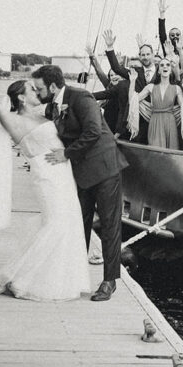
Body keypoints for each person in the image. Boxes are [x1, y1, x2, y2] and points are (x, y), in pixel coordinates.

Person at [0, 79, 91, 301]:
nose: (36, 90)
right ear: (21, 97)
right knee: (55, 224)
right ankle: (15, 277)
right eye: (31, 88)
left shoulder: (44, 115)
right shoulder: (13, 119)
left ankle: (57, 278)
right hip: (46, 175)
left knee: (69, 222)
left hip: (64, 174)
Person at [31, 65, 127, 302]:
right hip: (82, 174)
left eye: (39, 88)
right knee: (79, 225)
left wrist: (66, 154)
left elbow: (94, 131)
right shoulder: (54, 105)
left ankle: (109, 281)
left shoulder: (81, 97)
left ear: (53, 86)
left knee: (109, 225)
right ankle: (74, 277)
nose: (37, 91)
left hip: (105, 169)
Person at [136, 56, 183, 149]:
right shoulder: (150, 87)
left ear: (171, 69)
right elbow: (134, 100)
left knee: (171, 150)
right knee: (155, 150)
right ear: (158, 71)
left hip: (170, 122)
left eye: (168, 65)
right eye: (162, 65)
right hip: (155, 121)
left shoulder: (177, 88)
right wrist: (132, 81)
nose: (165, 67)